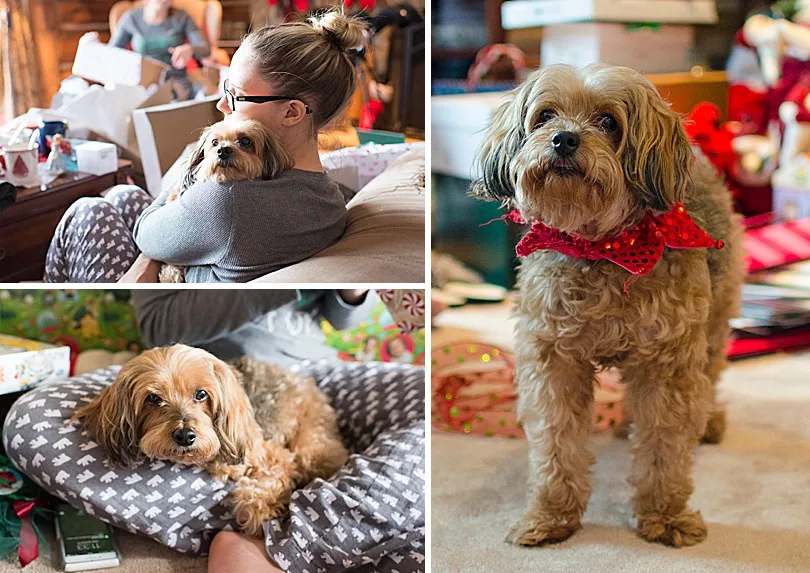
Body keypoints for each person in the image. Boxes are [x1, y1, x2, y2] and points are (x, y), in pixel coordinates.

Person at [3, 290, 426, 573]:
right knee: (28, 419)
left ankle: (265, 542)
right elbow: (158, 328)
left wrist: (349, 289)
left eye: (196, 401)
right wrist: (282, 277)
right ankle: (331, 529)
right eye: (155, 402)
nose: (183, 425)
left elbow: (348, 317)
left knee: (426, 400)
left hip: (309, 373)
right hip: (199, 359)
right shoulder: (176, 229)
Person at [44, 8, 365, 283]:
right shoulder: (329, 195)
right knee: (123, 195)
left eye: (237, 96)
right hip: (204, 250)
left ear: (291, 111)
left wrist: (151, 253)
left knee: (90, 210)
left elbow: (145, 232)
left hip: (171, 291)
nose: (223, 107)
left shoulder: (229, 197)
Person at [81, 0, 211, 100]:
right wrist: (94, 46)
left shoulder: (182, 18)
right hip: (141, 83)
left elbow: (206, 48)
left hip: (175, 81)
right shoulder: (131, 18)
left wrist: (190, 50)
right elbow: (113, 53)